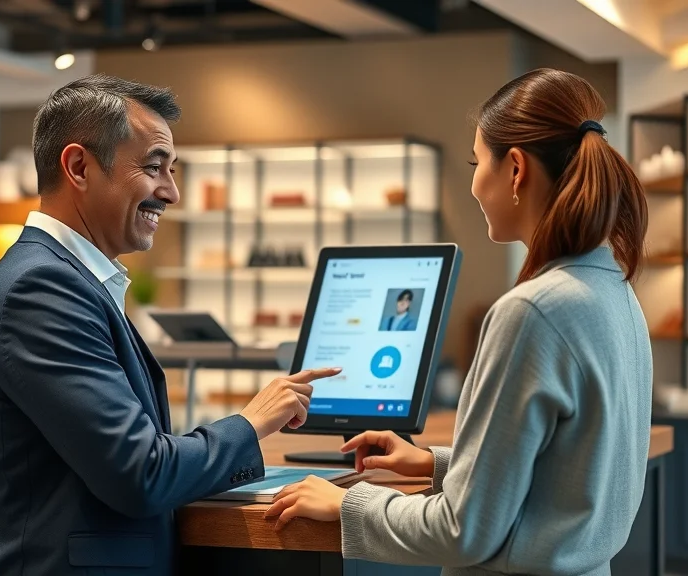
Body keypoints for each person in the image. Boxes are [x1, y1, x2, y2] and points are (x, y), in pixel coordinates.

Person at [266, 68, 652, 576]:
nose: (472, 182)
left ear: (515, 169)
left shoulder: (532, 312)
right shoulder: (615, 291)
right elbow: (563, 480)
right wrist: (436, 463)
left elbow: (463, 531)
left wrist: (345, 506)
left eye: (476, 161)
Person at [0, 74, 340, 576]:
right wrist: (252, 422)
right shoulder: (42, 289)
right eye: (155, 167)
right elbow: (143, 474)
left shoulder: (65, 279)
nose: (172, 192)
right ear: (78, 167)